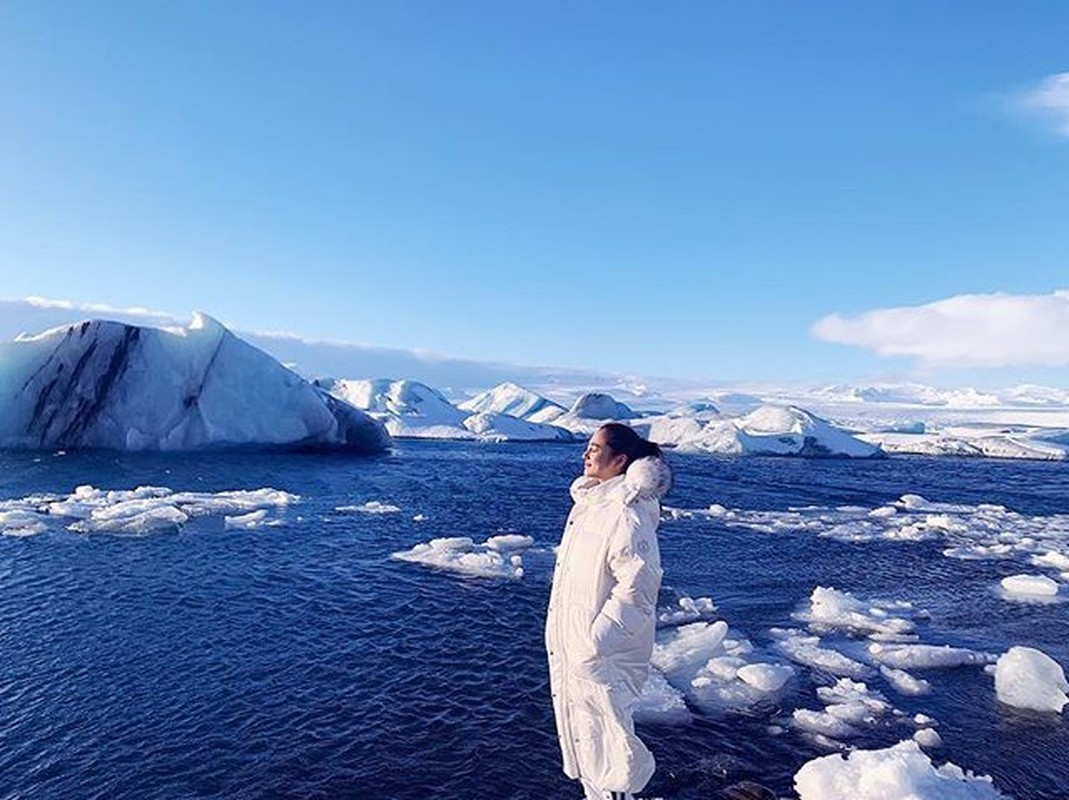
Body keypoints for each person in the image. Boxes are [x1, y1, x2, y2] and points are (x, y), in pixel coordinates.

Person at [545, 423, 672, 800]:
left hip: (601, 654)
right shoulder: (590, 506)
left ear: (620, 461)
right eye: (587, 447)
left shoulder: (625, 514)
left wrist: (594, 643)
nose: (586, 454)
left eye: (595, 449)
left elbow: (638, 588)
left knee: (609, 751)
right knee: (588, 742)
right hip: (578, 649)